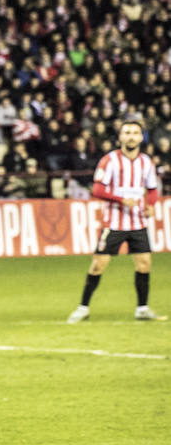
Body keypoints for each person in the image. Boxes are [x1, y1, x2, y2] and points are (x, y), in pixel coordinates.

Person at [68, 119, 164, 323]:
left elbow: (153, 189)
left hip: (138, 222)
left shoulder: (146, 162)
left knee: (144, 263)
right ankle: (83, 307)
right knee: (98, 264)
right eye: (127, 132)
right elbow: (98, 190)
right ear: (120, 136)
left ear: (141, 137)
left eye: (135, 133)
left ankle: (142, 308)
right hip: (114, 222)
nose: (131, 136)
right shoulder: (109, 161)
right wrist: (121, 200)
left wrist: (150, 205)